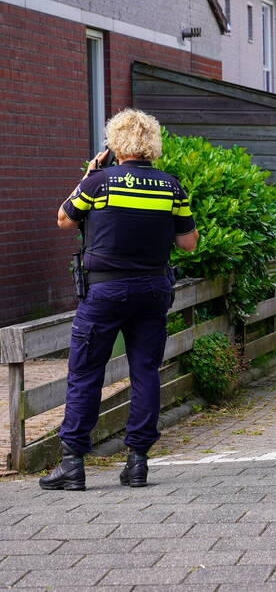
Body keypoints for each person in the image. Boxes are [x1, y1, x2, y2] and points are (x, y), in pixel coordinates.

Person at [41, 109, 198, 491]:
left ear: (114, 143)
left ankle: (73, 464)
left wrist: (90, 174)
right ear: (151, 144)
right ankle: (137, 462)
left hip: (105, 291)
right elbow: (189, 243)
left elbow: (64, 219)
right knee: (145, 371)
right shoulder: (171, 186)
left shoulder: (99, 183)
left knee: (86, 372)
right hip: (152, 290)